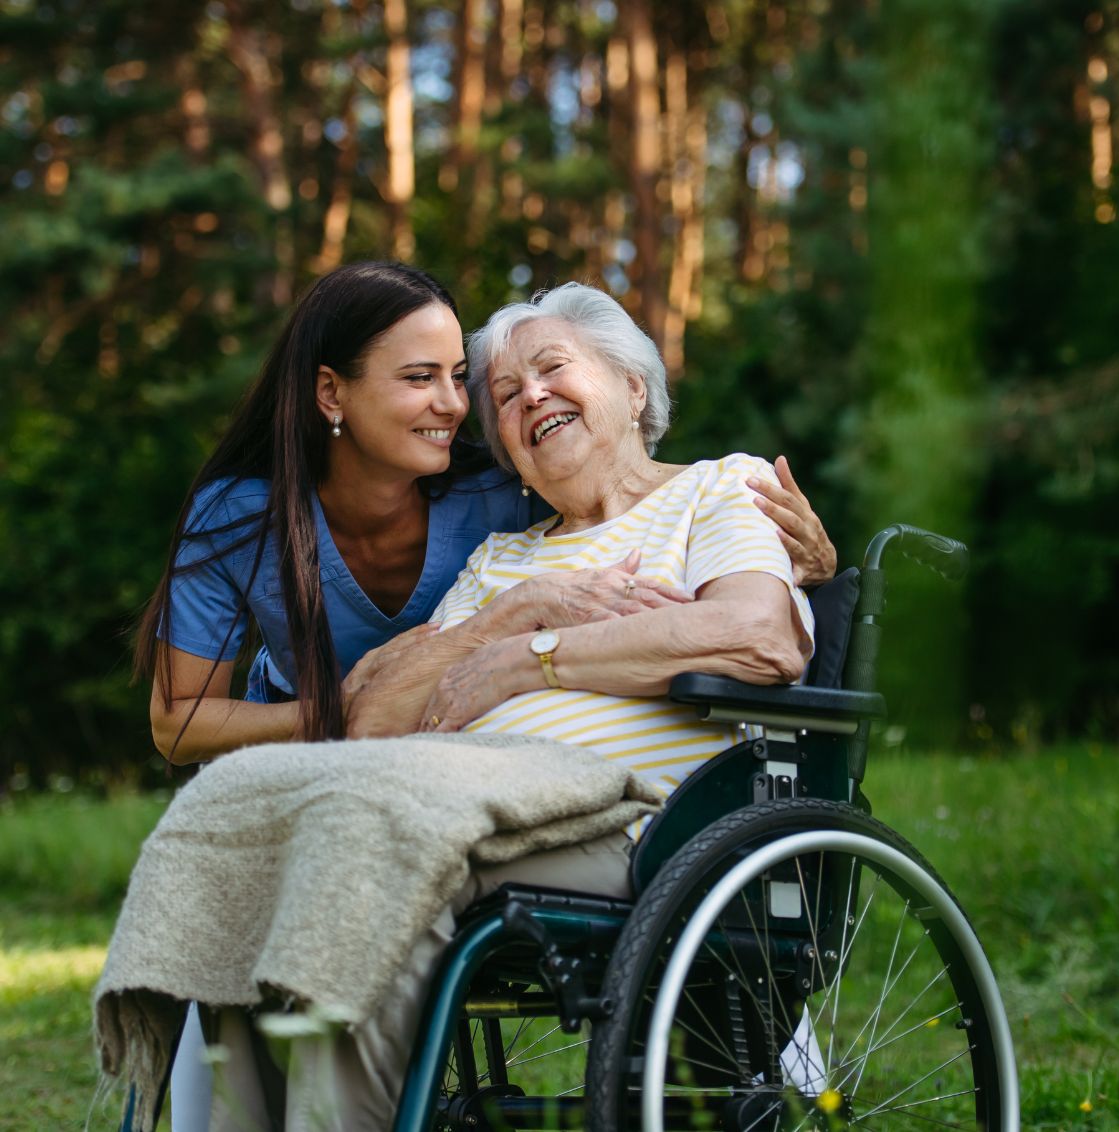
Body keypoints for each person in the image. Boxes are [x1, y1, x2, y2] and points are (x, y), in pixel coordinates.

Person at [134, 262, 836, 1130]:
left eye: (551, 368)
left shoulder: (716, 489)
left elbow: (757, 634)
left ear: (630, 384)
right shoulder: (500, 556)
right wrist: (498, 625)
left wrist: (530, 658)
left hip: (632, 820)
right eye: (504, 393)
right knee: (256, 822)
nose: (523, 397)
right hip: (461, 804)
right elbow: (372, 721)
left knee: (371, 842)